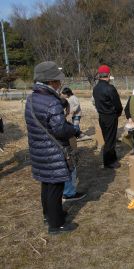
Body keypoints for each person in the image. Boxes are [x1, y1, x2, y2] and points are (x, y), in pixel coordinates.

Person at [24, 61, 80, 234]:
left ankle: (49, 215)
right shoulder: (51, 101)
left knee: (47, 185)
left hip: (39, 150)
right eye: (57, 80)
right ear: (50, 81)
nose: (59, 83)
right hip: (53, 151)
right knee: (56, 187)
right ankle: (57, 225)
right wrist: (74, 129)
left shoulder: (32, 98)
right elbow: (60, 129)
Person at [93, 65, 123, 169]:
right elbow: (117, 104)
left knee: (107, 138)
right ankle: (109, 162)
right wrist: (118, 112)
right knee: (110, 140)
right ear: (109, 75)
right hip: (110, 116)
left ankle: (112, 159)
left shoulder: (96, 88)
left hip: (101, 116)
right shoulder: (110, 88)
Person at [59, 97, 87, 202]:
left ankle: (65, 191)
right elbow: (64, 129)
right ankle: (69, 193)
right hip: (63, 147)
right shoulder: (59, 118)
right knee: (70, 169)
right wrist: (75, 131)